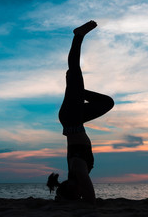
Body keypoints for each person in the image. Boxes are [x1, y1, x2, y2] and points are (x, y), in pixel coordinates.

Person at [47, 20, 114, 204]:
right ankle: (76, 90)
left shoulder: (77, 169)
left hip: (71, 119)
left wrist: (83, 200)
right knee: (107, 103)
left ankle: (78, 36)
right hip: (76, 119)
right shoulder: (76, 172)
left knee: (75, 70)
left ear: (70, 187)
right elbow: (81, 191)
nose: (80, 192)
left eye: (76, 192)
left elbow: (90, 196)